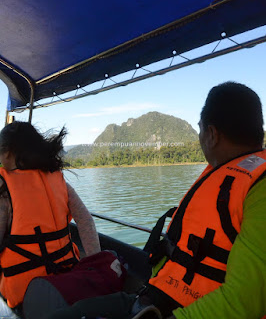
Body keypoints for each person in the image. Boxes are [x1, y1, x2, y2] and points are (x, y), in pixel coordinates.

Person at [44, 81, 266, 319]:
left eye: (200, 129)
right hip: (155, 298)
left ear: (211, 134)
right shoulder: (228, 174)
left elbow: (247, 299)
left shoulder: (258, 189)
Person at [0, 121, 101, 309]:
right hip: (69, 280)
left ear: (7, 153)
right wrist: (95, 265)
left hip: (27, 295)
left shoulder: (4, 188)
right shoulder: (58, 179)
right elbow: (86, 221)